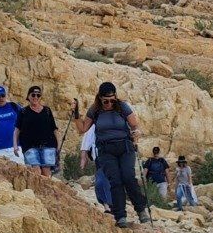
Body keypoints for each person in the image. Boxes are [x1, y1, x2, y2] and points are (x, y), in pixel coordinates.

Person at [74, 83, 148, 225]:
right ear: (99, 98)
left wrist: (136, 133)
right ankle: (120, 216)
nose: (109, 104)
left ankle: (141, 209)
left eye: (112, 100)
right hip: (106, 150)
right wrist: (76, 114)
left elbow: (134, 125)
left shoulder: (122, 107)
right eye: (106, 101)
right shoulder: (95, 110)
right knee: (115, 180)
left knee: (128, 177)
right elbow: (82, 129)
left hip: (125, 147)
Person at [18, 86, 59, 177]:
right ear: (28, 96)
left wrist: (58, 144)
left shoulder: (47, 110)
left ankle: (45, 187)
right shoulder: (23, 112)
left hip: (48, 144)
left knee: (46, 172)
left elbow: (54, 128)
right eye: (33, 95)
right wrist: (15, 145)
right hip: (29, 145)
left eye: (38, 95)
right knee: (35, 171)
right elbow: (17, 129)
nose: (35, 97)